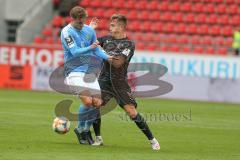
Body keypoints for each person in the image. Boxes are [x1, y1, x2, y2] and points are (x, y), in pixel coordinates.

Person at [90, 14, 160, 150]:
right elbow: (89, 43)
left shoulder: (129, 44)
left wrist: (100, 51)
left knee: (131, 112)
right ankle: (98, 138)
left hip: (119, 83)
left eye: (112, 25)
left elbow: (118, 63)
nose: (109, 27)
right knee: (95, 104)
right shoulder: (105, 39)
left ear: (121, 27)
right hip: (103, 80)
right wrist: (90, 30)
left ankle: (152, 140)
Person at [60, 6, 113, 145]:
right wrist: (91, 48)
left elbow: (97, 50)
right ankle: (83, 131)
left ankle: (82, 129)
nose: (82, 24)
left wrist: (107, 57)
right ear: (73, 19)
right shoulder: (66, 32)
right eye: (79, 22)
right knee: (88, 101)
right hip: (74, 71)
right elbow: (75, 51)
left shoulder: (89, 30)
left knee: (97, 104)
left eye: (83, 21)